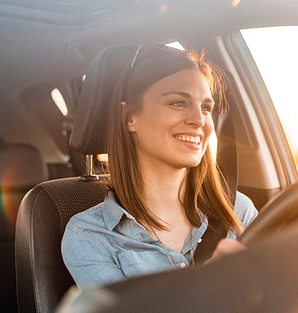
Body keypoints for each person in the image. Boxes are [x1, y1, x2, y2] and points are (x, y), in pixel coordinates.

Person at [61, 44, 258, 289]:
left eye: (206, 108)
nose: (199, 120)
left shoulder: (238, 210)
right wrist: (208, 290)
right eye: (178, 103)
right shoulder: (89, 235)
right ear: (130, 117)